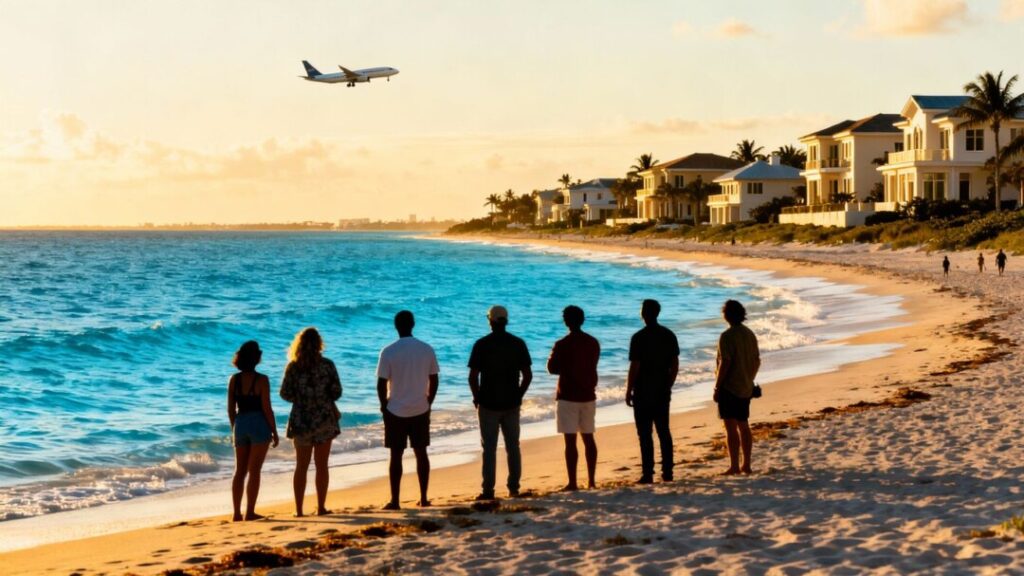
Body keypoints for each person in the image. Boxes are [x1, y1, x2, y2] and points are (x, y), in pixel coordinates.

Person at [377, 311, 440, 510]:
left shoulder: (388, 351)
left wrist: (383, 406)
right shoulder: (426, 349)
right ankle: (423, 497)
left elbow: (381, 383)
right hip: (420, 407)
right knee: (421, 452)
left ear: (396, 326)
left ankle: (395, 500)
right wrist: (429, 401)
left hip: (395, 408)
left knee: (396, 455)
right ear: (413, 324)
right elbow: (434, 378)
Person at [468, 305, 532, 500]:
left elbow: (473, 377)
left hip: (488, 402)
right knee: (513, 446)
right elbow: (527, 375)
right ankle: (513, 488)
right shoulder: (518, 343)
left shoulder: (482, 344)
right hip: (511, 402)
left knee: (489, 448)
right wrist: (519, 395)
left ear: (490, 320)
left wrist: (477, 397)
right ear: (506, 320)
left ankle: (488, 490)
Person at [280, 327, 342, 517]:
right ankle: (321, 507)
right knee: (322, 465)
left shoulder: (293, 366)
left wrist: (302, 398)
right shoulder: (327, 365)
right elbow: (337, 391)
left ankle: (299, 510)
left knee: (301, 466)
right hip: (324, 418)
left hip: (301, 420)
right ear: (319, 344)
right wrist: (322, 397)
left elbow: (285, 393)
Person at [625, 299, 679, 484]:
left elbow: (635, 366)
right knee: (663, 431)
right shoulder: (668, 335)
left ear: (643, 314)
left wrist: (628, 389)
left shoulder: (638, 337)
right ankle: (668, 472)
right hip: (662, 389)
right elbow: (675, 364)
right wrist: (669, 384)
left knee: (645, 433)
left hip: (643, 390)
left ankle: (648, 473)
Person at [547, 305, 600, 491]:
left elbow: (552, 368)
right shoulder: (593, 342)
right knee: (588, 438)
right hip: (587, 394)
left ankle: (573, 482)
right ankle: (592, 480)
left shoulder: (562, 344)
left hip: (568, 395)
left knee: (570, 441)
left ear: (566, 321)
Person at [227, 341, 279, 521]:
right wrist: (274, 431)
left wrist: (235, 427)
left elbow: (230, 409)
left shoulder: (234, 379)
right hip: (259, 423)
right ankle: (250, 511)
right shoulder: (262, 380)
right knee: (254, 470)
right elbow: (267, 408)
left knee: (239, 471)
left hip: (241, 423)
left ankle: (236, 513)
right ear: (256, 358)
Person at [713, 300, 761, 475]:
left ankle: (734, 466)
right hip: (745, 385)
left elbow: (725, 362)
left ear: (726, 315)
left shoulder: (726, 336)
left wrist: (717, 387)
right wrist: (749, 377)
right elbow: (757, 360)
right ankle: (746, 464)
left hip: (729, 387)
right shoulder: (750, 334)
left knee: (730, 427)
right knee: (744, 424)